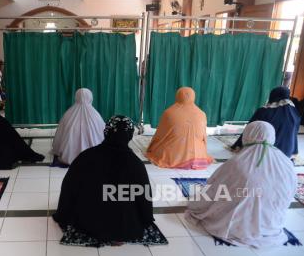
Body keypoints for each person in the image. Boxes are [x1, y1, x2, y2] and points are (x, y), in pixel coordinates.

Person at [53, 115, 168, 247]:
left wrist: (64, 213)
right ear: (130, 135)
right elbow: (144, 198)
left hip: (90, 223)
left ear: (106, 132)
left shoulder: (86, 156)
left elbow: (69, 188)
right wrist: (146, 218)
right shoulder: (135, 164)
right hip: (125, 226)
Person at [185, 121, 296, 248]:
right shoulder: (286, 162)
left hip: (237, 226)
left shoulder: (238, 163)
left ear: (248, 134)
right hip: (271, 222)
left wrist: (199, 202)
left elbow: (215, 190)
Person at [145, 87, 212, 169]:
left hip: (172, 156)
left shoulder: (169, 113)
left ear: (178, 96)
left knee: (158, 147)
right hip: (198, 155)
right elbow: (203, 137)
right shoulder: (202, 114)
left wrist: (152, 145)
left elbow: (160, 134)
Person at [231, 86, 300, 157]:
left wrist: (239, 144)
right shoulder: (294, 112)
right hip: (288, 152)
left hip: (266, 153)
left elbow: (250, 128)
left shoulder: (264, 111)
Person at [51, 88, 105, 166]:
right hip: (94, 155)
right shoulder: (96, 116)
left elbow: (60, 135)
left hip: (68, 156)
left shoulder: (68, 114)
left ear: (76, 97)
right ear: (90, 97)